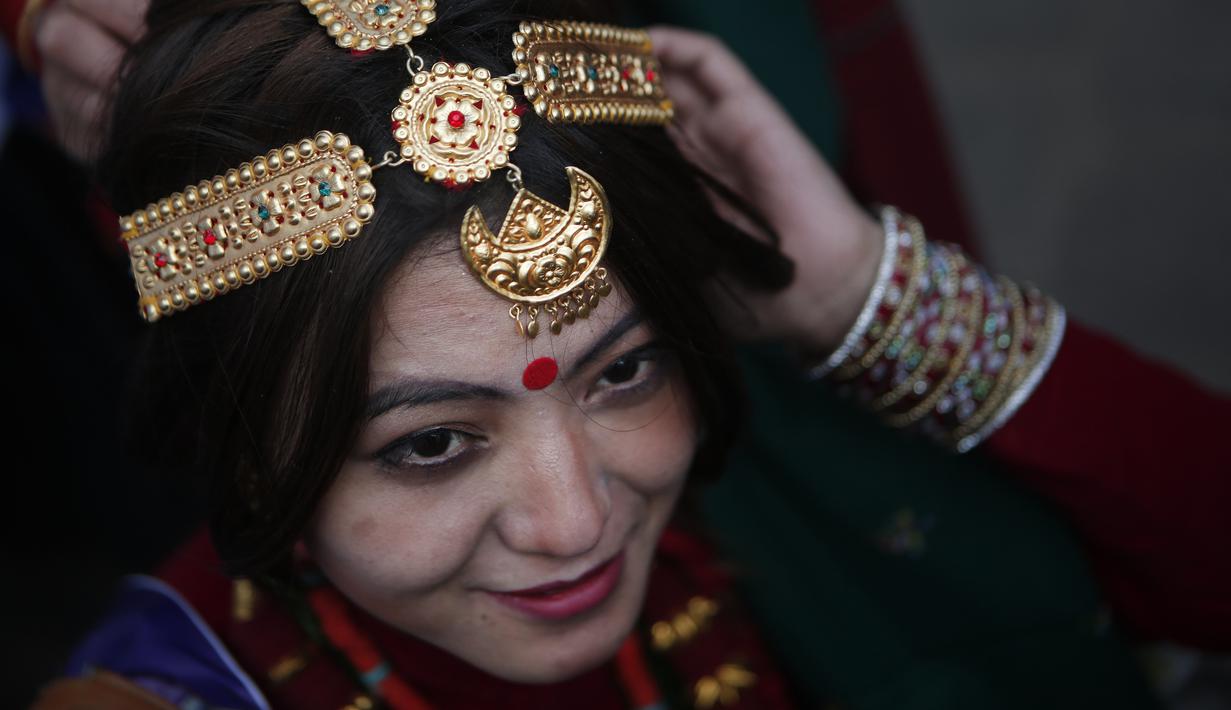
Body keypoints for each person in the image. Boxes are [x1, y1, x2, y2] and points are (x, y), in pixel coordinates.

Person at [24, 0, 1231, 709]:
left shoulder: (751, 487)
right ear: (245, 441)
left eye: (622, 372)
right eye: (431, 441)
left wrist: (866, 295)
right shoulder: (164, 686)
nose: (577, 520)